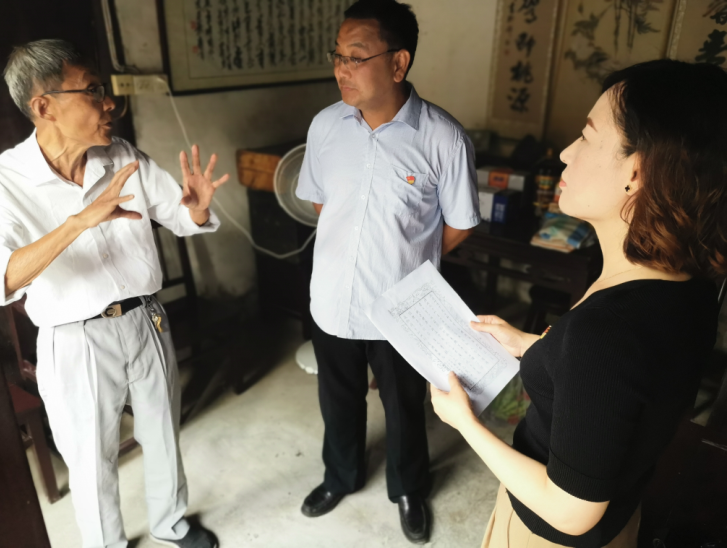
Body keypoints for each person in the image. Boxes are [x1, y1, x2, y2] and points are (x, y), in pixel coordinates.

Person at [430, 58, 727, 548]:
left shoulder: (608, 332)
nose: (566, 153)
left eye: (587, 136)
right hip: (621, 519)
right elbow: (622, 389)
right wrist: (533, 345)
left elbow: (571, 512)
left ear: (637, 171)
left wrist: (464, 422)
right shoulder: (687, 286)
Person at [0, 39, 228, 548]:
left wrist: (196, 209)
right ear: (44, 106)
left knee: (162, 432)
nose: (110, 103)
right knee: (91, 457)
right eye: (93, 90)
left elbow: (180, 216)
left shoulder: (120, 154)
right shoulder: (5, 180)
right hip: (75, 337)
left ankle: (171, 524)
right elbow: (2, 278)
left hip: (146, 319)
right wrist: (77, 223)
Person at [295, 0, 480, 543]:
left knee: (403, 404)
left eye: (356, 57)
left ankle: (408, 489)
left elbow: (459, 224)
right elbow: (322, 203)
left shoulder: (443, 138)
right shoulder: (325, 126)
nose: (341, 69)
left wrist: (406, 259)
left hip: (401, 307)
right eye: (337, 56)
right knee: (338, 398)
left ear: (398, 63)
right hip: (332, 298)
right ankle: (340, 476)